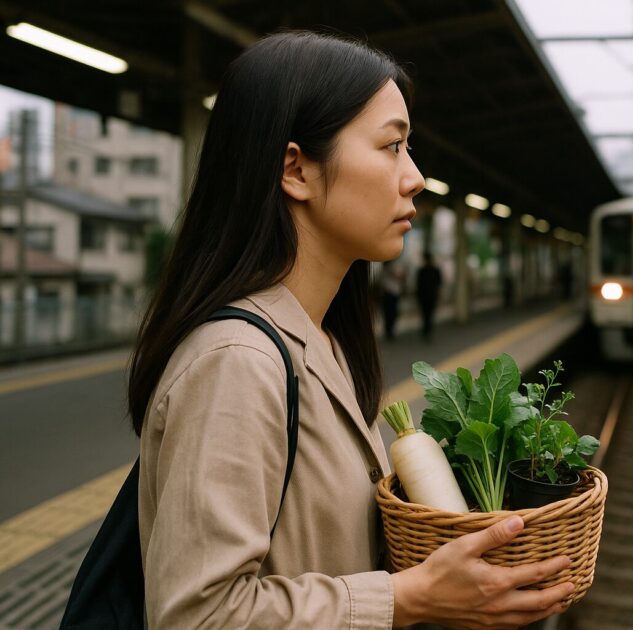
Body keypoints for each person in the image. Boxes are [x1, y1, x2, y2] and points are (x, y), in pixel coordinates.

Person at [127, 32, 573, 629]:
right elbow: (198, 617)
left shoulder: (321, 342)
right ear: (297, 170)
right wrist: (409, 597)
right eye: (392, 146)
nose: (414, 178)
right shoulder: (236, 361)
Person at [415, 252, 442, 341]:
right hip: (431, 296)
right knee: (429, 314)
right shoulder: (435, 270)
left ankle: (426, 330)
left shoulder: (421, 271)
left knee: (426, 314)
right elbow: (439, 284)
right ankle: (428, 330)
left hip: (424, 296)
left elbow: (418, 285)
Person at [380, 259, 405, 340]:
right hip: (388, 293)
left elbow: (401, 277)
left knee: (392, 312)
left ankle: (390, 330)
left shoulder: (394, 267)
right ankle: (388, 330)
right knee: (388, 312)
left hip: (394, 292)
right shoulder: (385, 269)